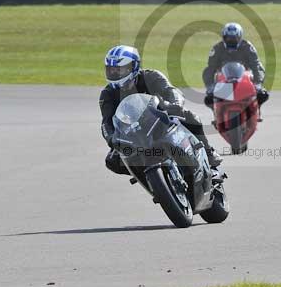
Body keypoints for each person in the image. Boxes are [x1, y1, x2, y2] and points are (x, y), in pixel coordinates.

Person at [100, 44, 224, 176]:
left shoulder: (151, 76)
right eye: (111, 70)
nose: (114, 73)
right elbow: (106, 123)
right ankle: (149, 177)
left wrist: (176, 104)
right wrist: (111, 138)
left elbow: (171, 91)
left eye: (119, 69)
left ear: (133, 66)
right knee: (112, 161)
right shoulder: (107, 94)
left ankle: (209, 154)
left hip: (160, 120)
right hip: (134, 134)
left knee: (191, 117)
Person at [202, 22, 269, 108]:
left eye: (234, 38)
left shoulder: (248, 46)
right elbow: (211, 68)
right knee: (209, 98)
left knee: (263, 94)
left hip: (245, 78)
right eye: (228, 38)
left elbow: (255, 64)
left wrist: (258, 83)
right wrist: (210, 87)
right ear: (224, 37)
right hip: (224, 79)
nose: (231, 40)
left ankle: (256, 108)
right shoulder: (217, 48)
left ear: (240, 37)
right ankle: (216, 111)